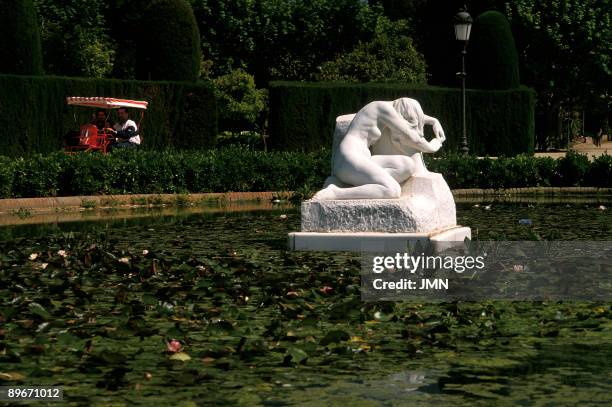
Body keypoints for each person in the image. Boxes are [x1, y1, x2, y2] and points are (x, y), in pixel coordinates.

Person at [313, 98, 445, 200]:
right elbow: (411, 138)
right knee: (392, 190)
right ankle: (336, 192)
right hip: (348, 158)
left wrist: (434, 121)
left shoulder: (382, 107)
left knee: (407, 165)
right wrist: (433, 146)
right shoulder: (383, 108)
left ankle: (364, 185)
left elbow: (409, 117)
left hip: (362, 159)